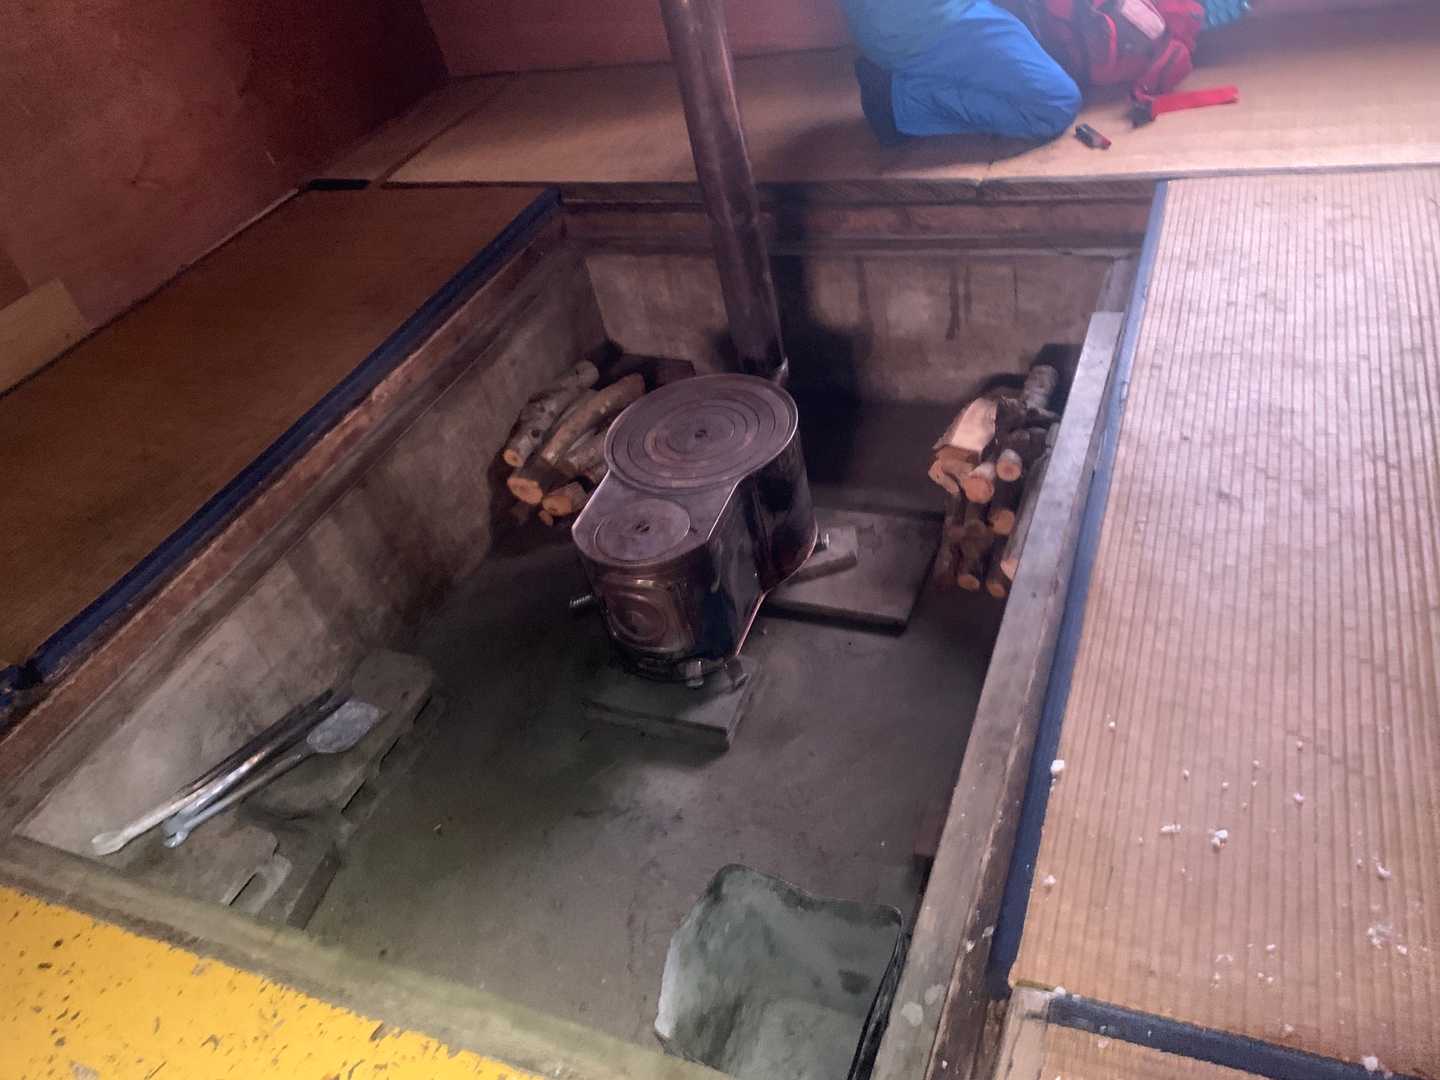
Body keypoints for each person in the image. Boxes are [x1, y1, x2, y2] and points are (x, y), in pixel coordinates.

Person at [841, 0, 1082, 145]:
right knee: (1055, 103)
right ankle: (899, 100)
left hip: (887, 26)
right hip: (927, 20)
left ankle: (908, 83)